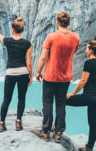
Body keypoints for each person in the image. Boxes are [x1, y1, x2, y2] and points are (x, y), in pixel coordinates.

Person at [33, 12, 79, 143]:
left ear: (57, 22)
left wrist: (38, 72)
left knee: (47, 103)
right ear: (68, 23)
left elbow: (43, 57)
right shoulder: (75, 37)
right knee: (61, 104)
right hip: (65, 77)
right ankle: (58, 132)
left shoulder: (51, 37)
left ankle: (46, 131)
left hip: (50, 76)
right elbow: (73, 52)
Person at [0, 17, 32, 131]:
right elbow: (29, 62)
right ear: (22, 30)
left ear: (12, 30)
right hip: (23, 73)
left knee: (6, 99)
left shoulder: (8, 41)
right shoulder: (27, 43)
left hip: (10, 73)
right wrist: (31, 76)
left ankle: (1, 124)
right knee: (21, 98)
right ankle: (18, 123)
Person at [66, 40, 96, 151]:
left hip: (89, 96)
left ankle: (57, 127)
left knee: (63, 101)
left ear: (90, 51)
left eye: (87, 48)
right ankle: (89, 148)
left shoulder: (89, 63)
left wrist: (73, 93)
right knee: (93, 124)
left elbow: (83, 81)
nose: (85, 50)